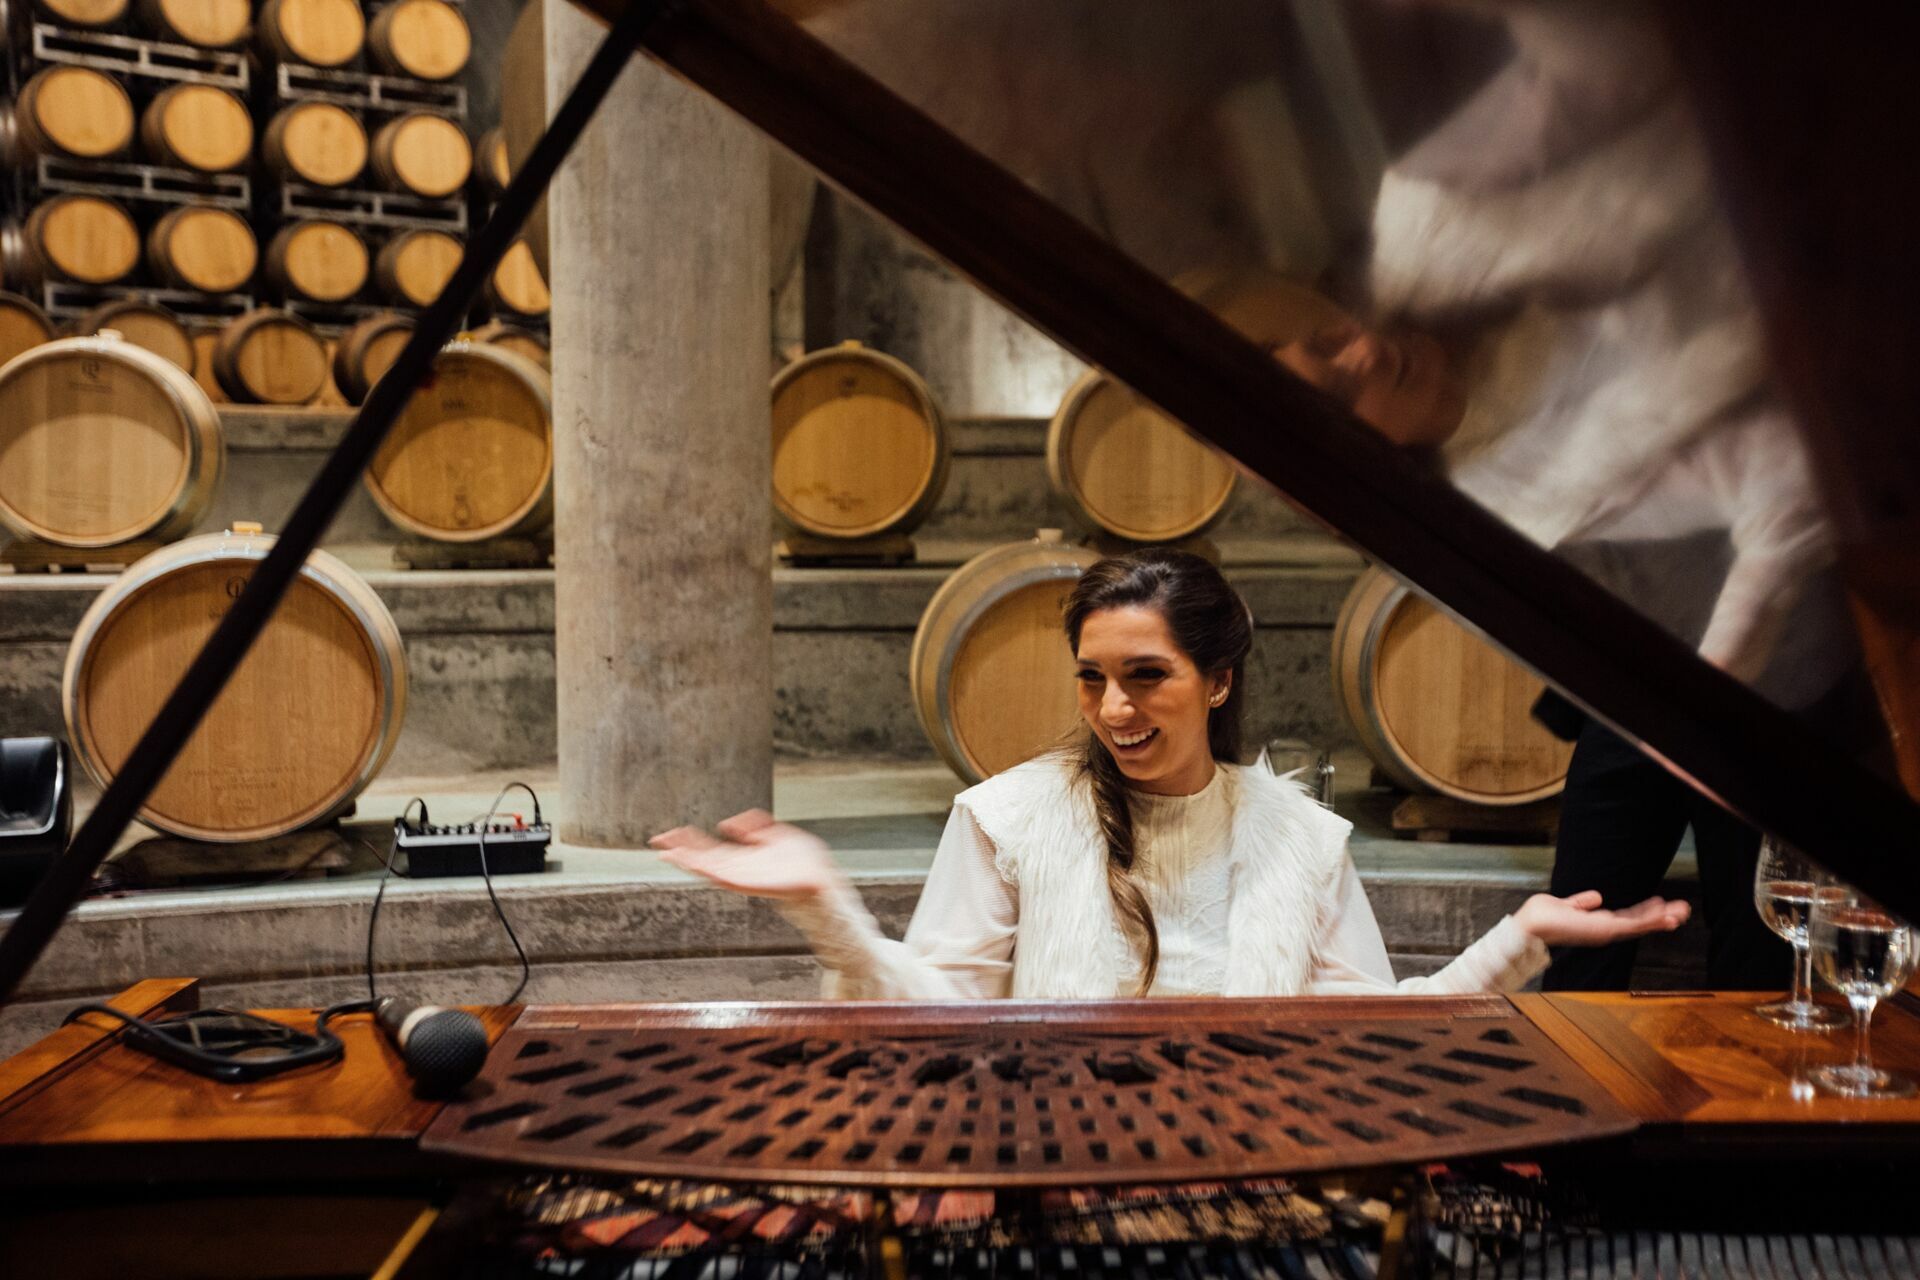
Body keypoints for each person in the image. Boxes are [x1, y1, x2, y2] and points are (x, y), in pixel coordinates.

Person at [654, 549, 1689, 1000]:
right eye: (1092, 677)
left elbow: (1372, 1035)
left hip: (1253, 1169)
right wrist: (824, 905)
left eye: (1146, 676)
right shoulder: (1007, 815)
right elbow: (934, 1009)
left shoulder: (1301, 835)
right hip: (1054, 1170)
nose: (1113, 707)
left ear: (1218, 680)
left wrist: (1523, 938)